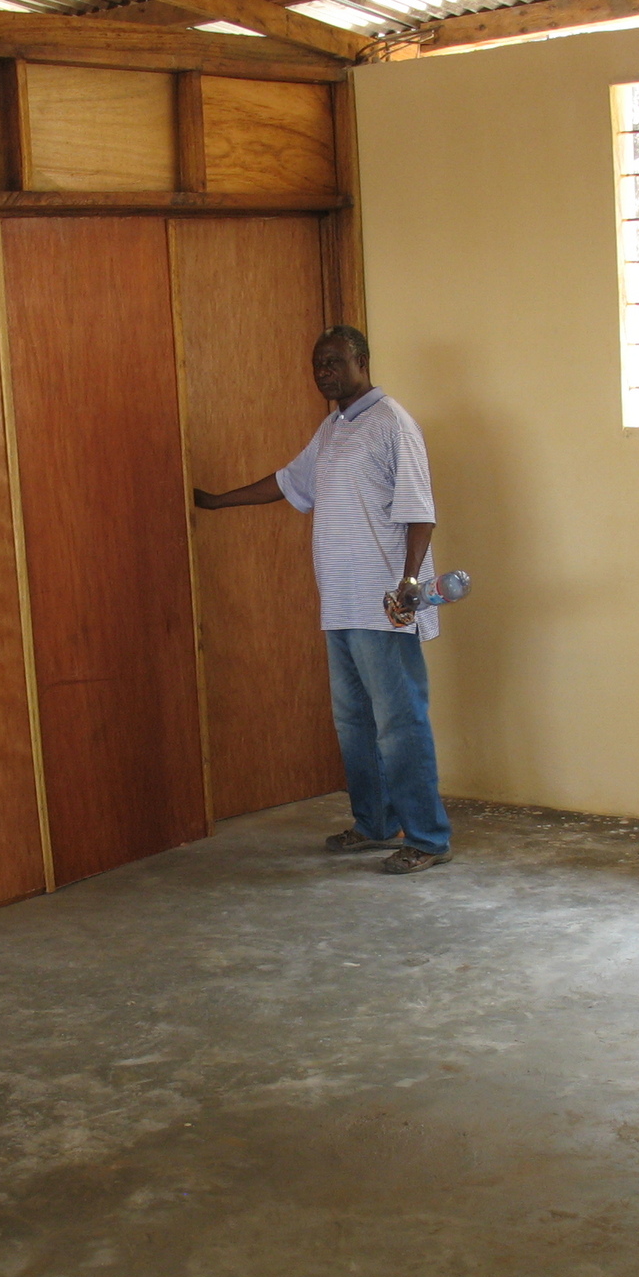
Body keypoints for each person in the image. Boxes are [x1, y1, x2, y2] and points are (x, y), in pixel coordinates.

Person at [194, 325, 453, 875]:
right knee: (354, 722)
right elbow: (290, 482)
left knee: (399, 724)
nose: (324, 372)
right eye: (318, 364)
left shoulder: (393, 423)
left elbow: (421, 512)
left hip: (385, 604)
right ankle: (376, 823)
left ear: (361, 361)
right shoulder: (334, 428)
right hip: (339, 601)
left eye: (334, 361)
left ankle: (428, 838)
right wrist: (216, 503)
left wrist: (409, 586)